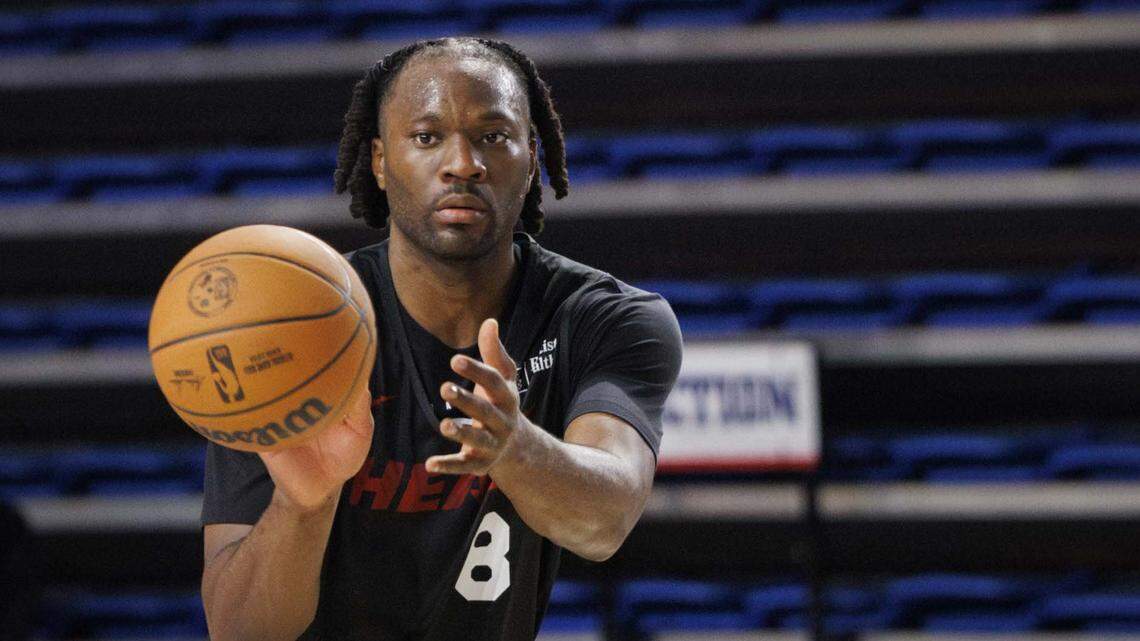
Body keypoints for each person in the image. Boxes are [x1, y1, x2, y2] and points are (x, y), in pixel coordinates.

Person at [199, 37, 682, 641]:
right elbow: (239, 631)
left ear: (532, 157)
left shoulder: (601, 318)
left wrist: (515, 446)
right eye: (427, 137)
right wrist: (304, 501)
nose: (462, 163)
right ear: (379, 160)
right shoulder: (291, 333)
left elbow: (605, 521)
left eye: (492, 137)